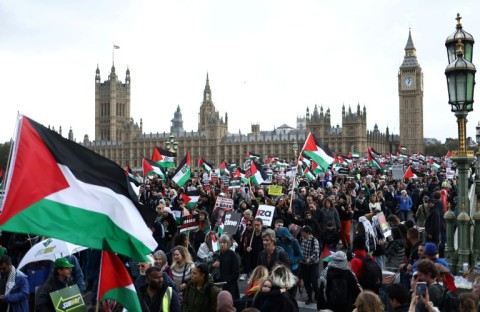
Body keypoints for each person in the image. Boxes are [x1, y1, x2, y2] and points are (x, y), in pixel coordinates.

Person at [211, 235, 240, 300]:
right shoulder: (216, 254)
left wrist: (228, 282)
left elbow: (236, 272)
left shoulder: (232, 255)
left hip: (229, 286)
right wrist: (213, 265)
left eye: (224, 242)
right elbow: (209, 268)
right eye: (221, 242)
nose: (222, 244)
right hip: (217, 285)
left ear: (228, 244)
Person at [299, 225, 320, 305]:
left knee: (314, 282)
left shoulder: (314, 241)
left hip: (313, 265)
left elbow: (316, 253)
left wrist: (309, 259)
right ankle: (310, 297)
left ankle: (317, 294)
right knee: (306, 282)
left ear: (307, 233)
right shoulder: (302, 239)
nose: (301, 233)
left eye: (303, 232)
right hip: (304, 265)